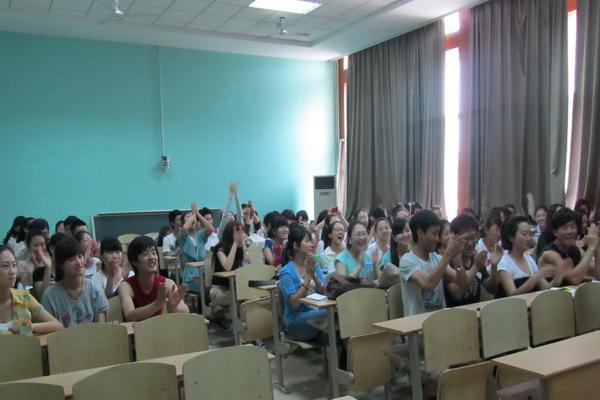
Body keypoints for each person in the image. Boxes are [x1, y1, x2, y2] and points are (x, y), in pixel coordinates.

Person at [398, 210, 466, 316]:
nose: (437, 239)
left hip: (439, 321)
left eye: (438, 234)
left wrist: (458, 261)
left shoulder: (437, 258)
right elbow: (428, 285)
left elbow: (463, 283)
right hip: (416, 324)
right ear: (420, 233)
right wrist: (447, 254)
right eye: (434, 234)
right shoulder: (407, 260)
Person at [119, 236, 188, 322]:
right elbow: (129, 315)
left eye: (154, 253)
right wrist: (157, 304)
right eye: (145, 254)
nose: (152, 257)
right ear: (134, 262)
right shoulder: (126, 286)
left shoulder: (167, 283)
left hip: (161, 329)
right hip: (136, 330)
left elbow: (185, 311)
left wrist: (174, 307)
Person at [42, 238, 109, 327]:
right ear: (61, 265)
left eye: (80, 257)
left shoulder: (95, 289)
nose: (78, 262)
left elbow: (102, 327)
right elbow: (48, 328)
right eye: (71, 259)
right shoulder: (50, 296)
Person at [279, 224, 327, 343]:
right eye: (307, 241)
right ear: (296, 245)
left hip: (316, 314)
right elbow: (295, 304)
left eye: (310, 241)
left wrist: (314, 275)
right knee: (329, 314)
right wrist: (308, 276)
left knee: (333, 333)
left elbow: (326, 293)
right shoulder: (286, 271)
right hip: (296, 320)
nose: (311, 244)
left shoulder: (313, 264)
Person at [0, 246, 62, 335]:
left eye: (14, 265)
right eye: (6, 266)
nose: (12, 271)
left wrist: (27, 327)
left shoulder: (23, 297)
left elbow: (57, 325)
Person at [496, 216, 563, 298]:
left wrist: (559, 275)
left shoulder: (528, 259)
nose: (528, 238)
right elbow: (512, 294)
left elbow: (546, 287)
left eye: (530, 234)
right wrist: (534, 278)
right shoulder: (504, 263)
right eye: (524, 234)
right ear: (511, 237)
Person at [444, 214, 500, 306]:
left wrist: (494, 266)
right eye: (465, 239)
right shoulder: (448, 262)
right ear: (454, 238)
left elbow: (491, 289)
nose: (470, 243)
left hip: (475, 312)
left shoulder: (475, 258)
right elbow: (458, 294)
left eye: (473, 238)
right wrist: (476, 267)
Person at [538, 208, 600, 286]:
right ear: (555, 232)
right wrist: (591, 248)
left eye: (573, 227)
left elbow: (598, 274)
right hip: (550, 293)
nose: (570, 231)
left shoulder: (575, 250)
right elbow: (574, 279)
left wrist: (596, 245)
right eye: (564, 228)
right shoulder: (549, 253)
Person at [210, 221, 249, 328]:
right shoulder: (220, 248)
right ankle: (242, 327)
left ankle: (247, 326)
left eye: (242, 230)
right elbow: (228, 267)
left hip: (235, 288)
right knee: (241, 296)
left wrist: (244, 245)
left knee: (249, 295)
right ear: (230, 234)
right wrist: (235, 243)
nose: (241, 233)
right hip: (219, 290)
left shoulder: (242, 248)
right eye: (238, 231)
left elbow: (248, 265)